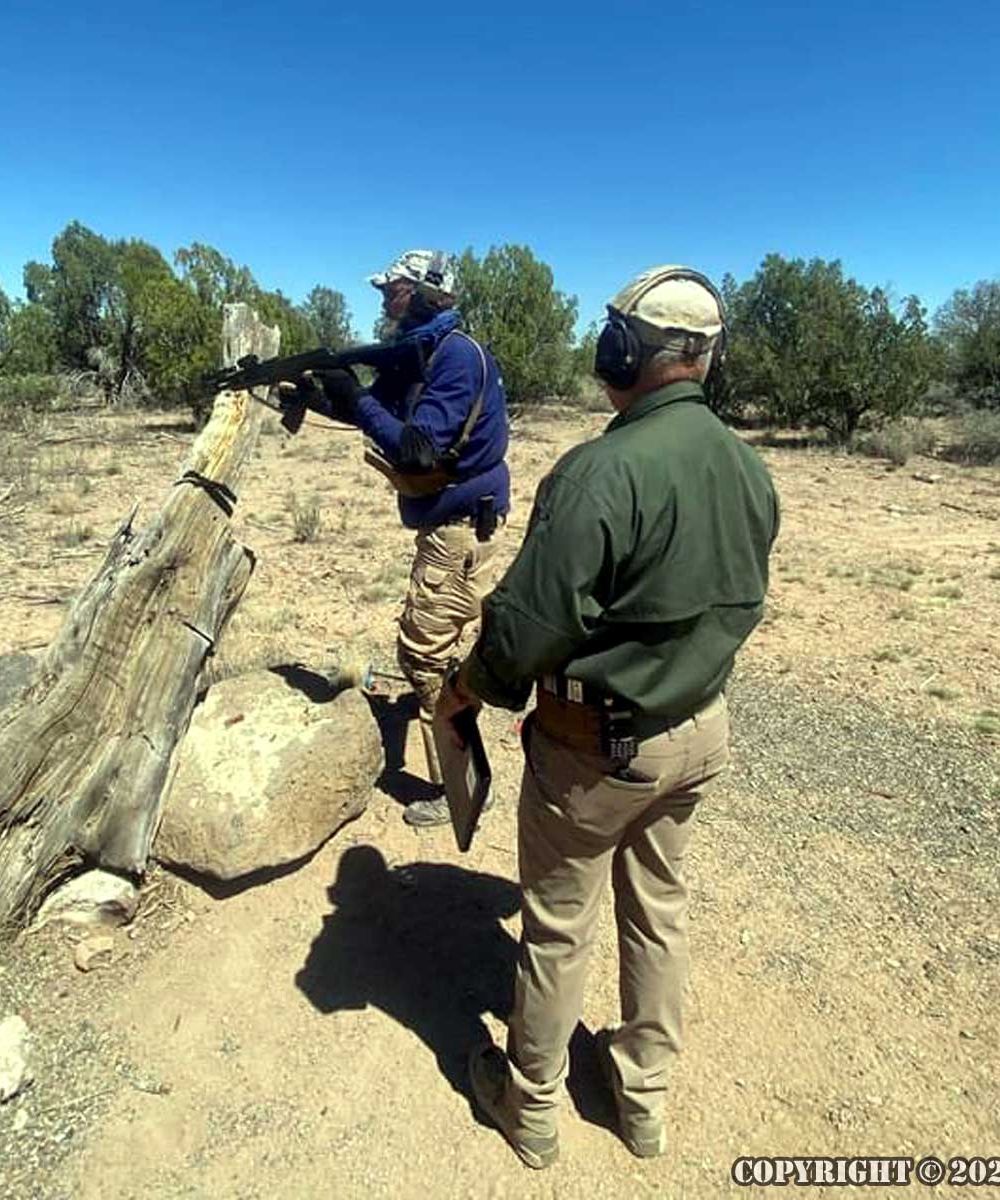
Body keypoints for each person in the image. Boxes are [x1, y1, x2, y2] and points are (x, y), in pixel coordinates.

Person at [434, 265, 780, 1168]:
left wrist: (468, 687)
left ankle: (531, 1105)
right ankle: (642, 1100)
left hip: (596, 751)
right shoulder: (749, 469)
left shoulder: (599, 471)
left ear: (626, 350)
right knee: (658, 910)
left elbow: (528, 626)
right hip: (698, 734)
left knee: (557, 926)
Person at [300, 249, 511, 826]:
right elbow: (380, 413)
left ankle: (460, 786)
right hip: (450, 526)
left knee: (423, 656)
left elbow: (416, 448)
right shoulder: (426, 351)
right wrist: (320, 397)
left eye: (391, 289)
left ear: (421, 292)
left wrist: (356, 397)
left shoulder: (456, 357)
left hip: (458, 532)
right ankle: (459, 755)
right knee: (434, 650)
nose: (384, 300)